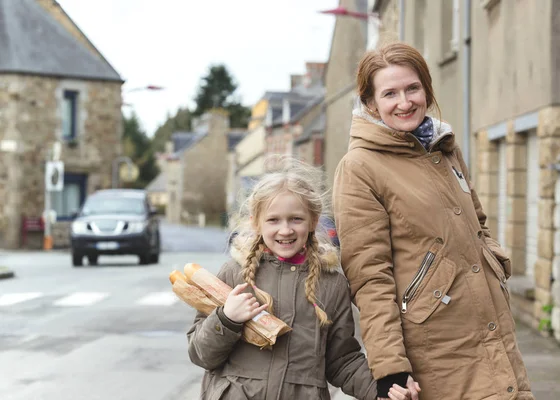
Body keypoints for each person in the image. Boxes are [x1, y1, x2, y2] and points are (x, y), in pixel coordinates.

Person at [332, 42, 535, 400]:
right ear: (370, 103)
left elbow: (478, 223)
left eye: (412, 88)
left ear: (426, 88)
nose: (405, 101)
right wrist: (390, 368)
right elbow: (369, 276)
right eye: (390, 93)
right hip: (436, 345)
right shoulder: (360, 167)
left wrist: (493, 262)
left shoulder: (443, 148)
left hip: (490, 324)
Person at [187, 158, 409, 400]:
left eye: (296, 219)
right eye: (273, 220)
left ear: (313, 221)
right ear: (256, 223)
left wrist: (380, 391)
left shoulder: (331, 285)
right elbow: (201, 354)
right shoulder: (234, 274)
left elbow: (342, 360)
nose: (285, 230)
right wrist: (226, 319)